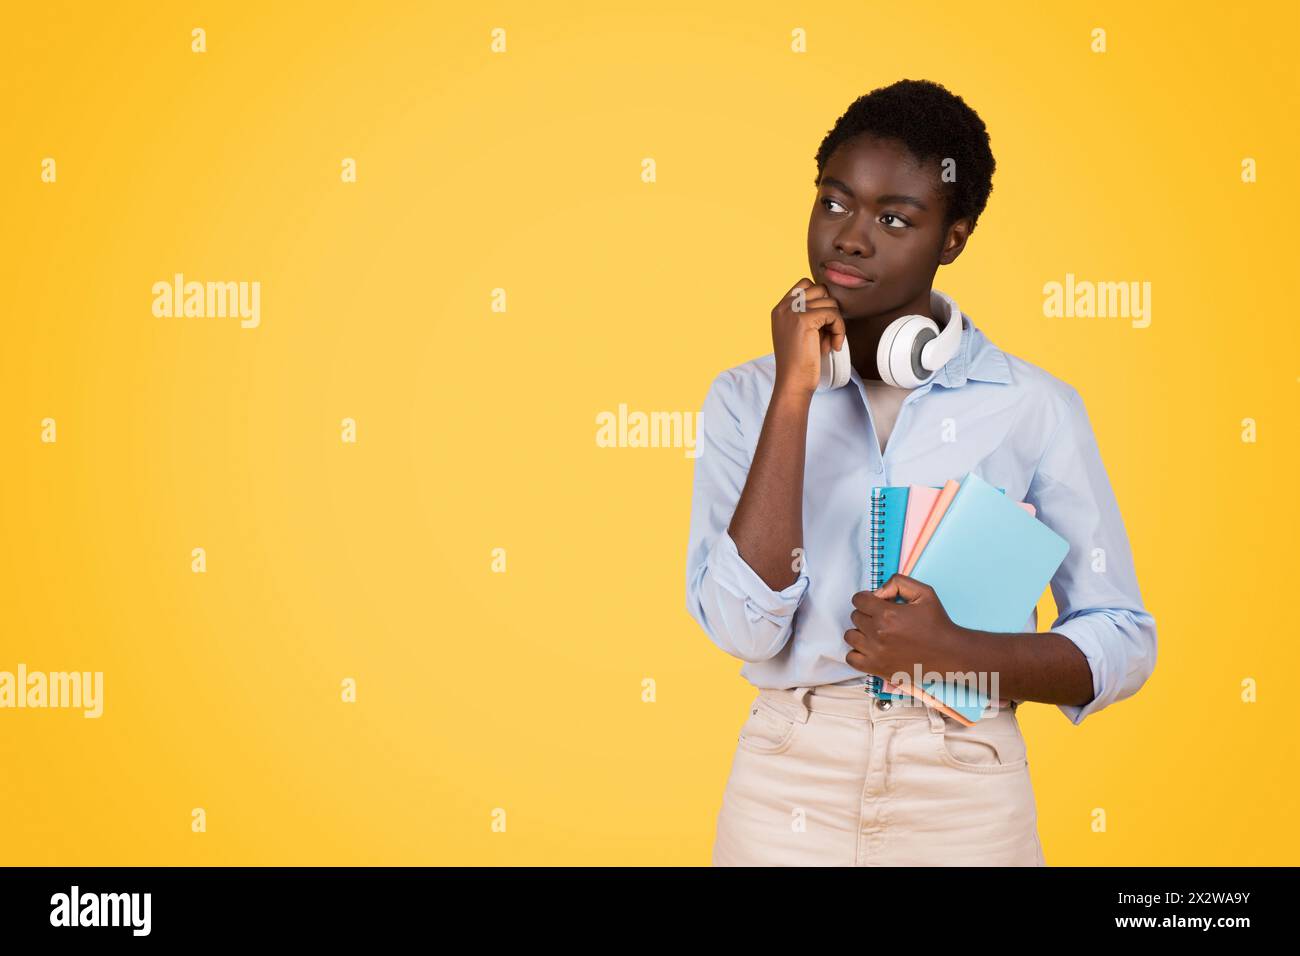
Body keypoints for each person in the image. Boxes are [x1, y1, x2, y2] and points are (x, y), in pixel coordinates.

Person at [684, 79, 1157, 866]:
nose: (851, 239)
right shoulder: (746, 397)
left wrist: (955, 651)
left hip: (965, 783)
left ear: (954, 238)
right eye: (835, 204)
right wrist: (792, 394)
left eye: (895, 219)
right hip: (787, 779)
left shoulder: (1032, 407)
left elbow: (1122, 638)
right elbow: (741, 627)